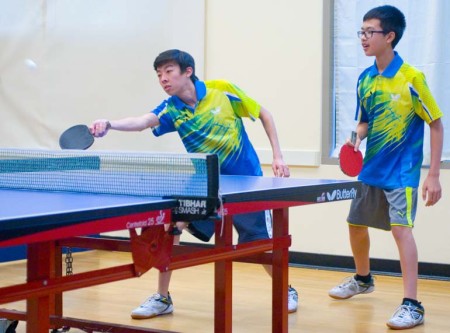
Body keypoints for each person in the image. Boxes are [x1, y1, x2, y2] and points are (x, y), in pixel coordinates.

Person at [90, 49, 298, 319]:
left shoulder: (221, 91)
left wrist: (278, 157)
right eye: (159, 74)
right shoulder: (171, 108)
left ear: (187, 71)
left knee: (260, 241)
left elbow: (264, 114)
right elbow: (142, 121)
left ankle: (286, 289)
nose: (163, 79)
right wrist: (110, 124)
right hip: (206, 182)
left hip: (246, 180)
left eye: (168, 71)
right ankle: (163, 298)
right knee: (171, 226)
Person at [328, 5, 444, 330]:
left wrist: (433, 174)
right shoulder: (365, 80)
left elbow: (436, 124)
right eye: (361, 32)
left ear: (389, 36)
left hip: (402, 171)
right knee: (355, 224)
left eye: (370, 32)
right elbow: (365, 122)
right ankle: (363, 279)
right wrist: (355, 137)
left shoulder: (411, 79)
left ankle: (412, 305)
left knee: (400, 230)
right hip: (372, 169)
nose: (363, 38)